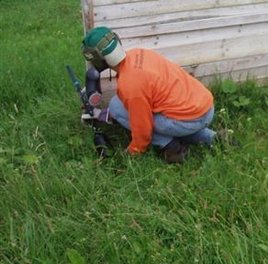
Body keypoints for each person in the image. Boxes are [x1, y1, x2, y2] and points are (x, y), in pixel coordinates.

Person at [80, 26, 219, 163]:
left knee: (117, 108)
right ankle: (213, 138)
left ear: (99, 59)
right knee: (118, 103)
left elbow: (143, 128)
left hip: (190, 120)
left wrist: (133, 152)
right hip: (204, 107)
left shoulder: (130, 84)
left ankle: (172, 147)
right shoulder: (138, 53)